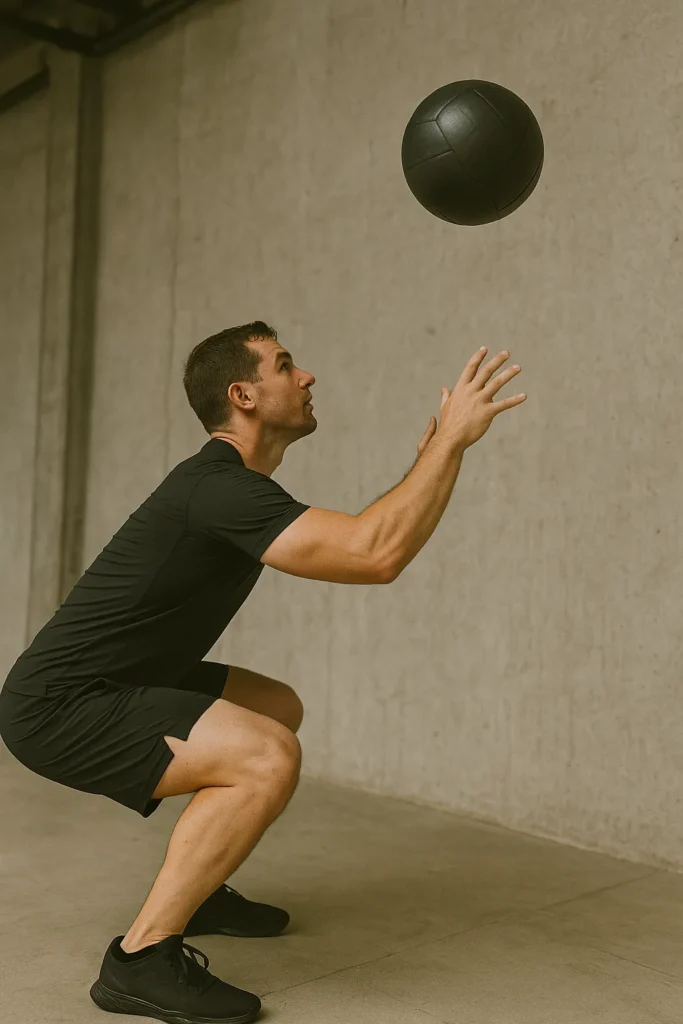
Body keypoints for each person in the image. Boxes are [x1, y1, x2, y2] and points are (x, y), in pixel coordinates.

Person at [0, 322, 525, 1023]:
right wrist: (453, 441)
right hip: (59, 707)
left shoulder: (227, 484)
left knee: (273, 707)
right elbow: (375, 553)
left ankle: (202, 882)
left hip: (114, 682)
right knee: (266, 756)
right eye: (285, 365)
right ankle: (140, 960)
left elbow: (378, 541)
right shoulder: (217, 489)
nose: (306, 377)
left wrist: (434, 459)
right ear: (242, 395)